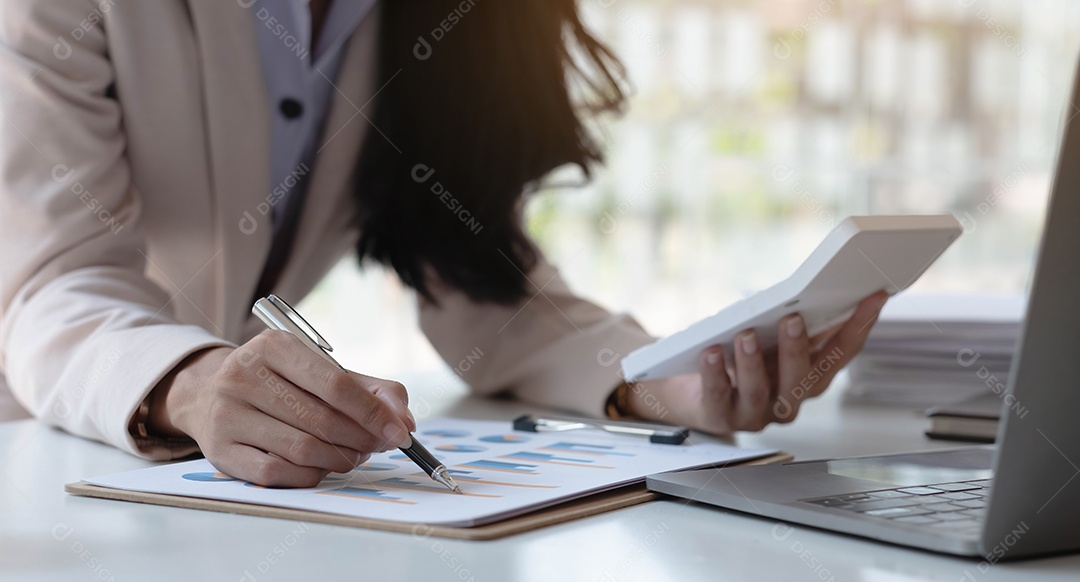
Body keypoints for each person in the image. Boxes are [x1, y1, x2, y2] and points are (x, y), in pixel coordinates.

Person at [0, 0, 886, 487]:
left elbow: (484, 285)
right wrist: (189, 384)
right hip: (41, 451)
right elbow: (53, 283)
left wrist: (665, 387)